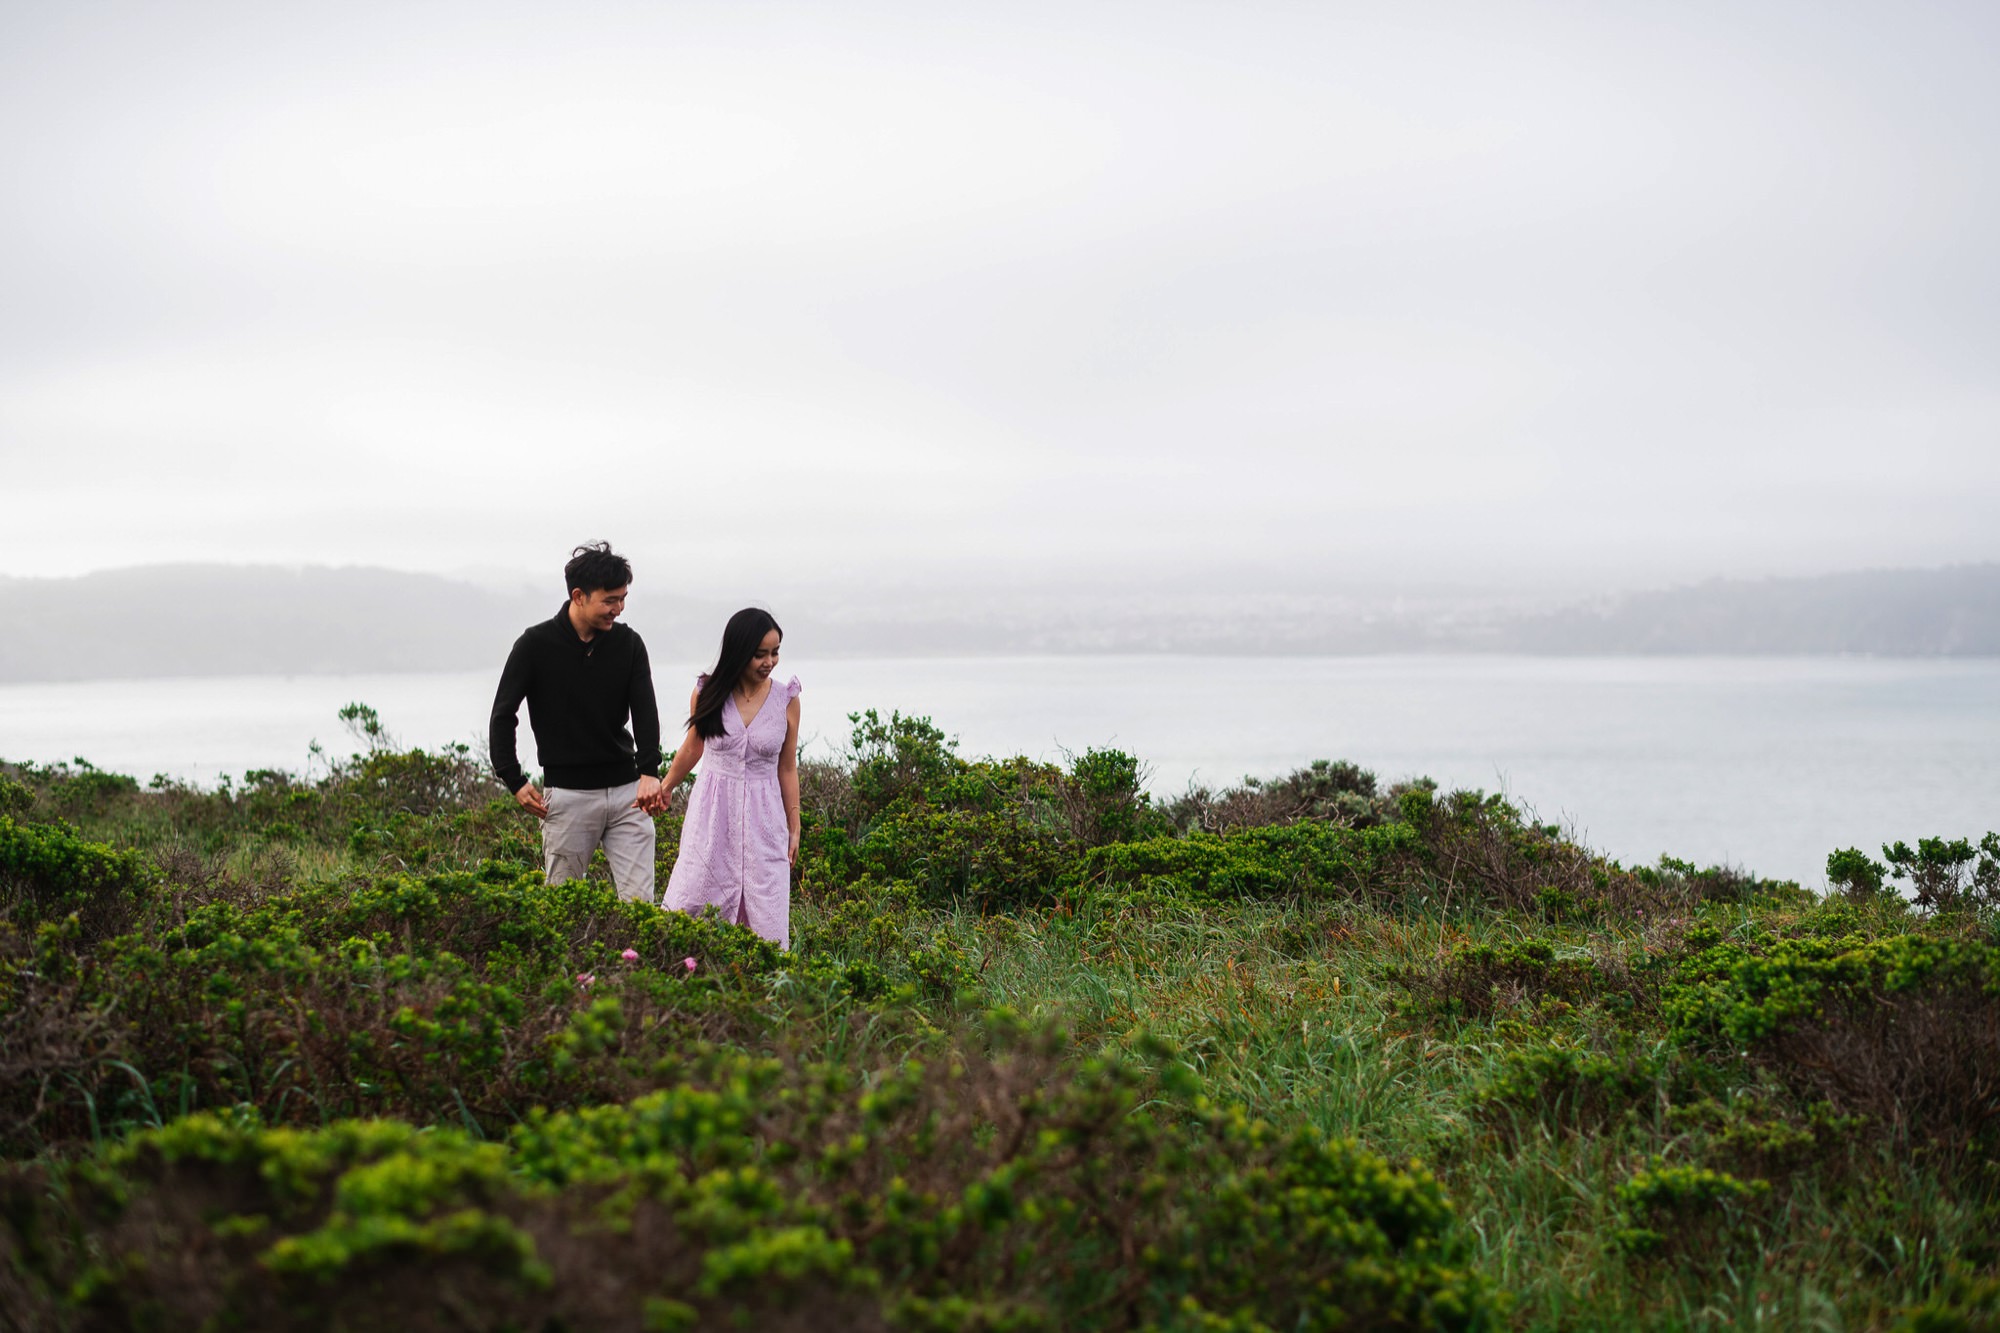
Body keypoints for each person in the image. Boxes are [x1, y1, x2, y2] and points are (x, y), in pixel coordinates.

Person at [489, 542, 663, 903]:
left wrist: (649, 771)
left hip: (628, 794)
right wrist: (514, 779)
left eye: (623, 598)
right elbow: (503, 714)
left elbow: (645, 710)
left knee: (641, 906)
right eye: (610, 600)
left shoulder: (629, 644)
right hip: (567, 797)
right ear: (579, 596)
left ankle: (637, 962)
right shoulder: (534, 645)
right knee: (563, 907)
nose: (618, 608)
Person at [652, 608, 801, 947]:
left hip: (766, 819)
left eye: (775, 652)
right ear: (738, 652)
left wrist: (795, 824)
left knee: (767, 914)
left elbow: (787, 767)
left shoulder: (787, 700)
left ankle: (764, 991)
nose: (770, 661)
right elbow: (693, 748)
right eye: (760, 654)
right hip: (713, 812)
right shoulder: (708, 693)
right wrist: (666, 787)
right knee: (693, 897)